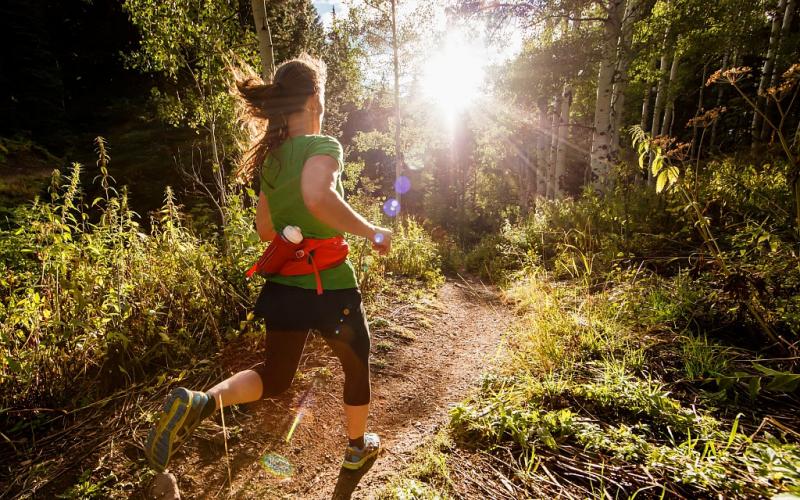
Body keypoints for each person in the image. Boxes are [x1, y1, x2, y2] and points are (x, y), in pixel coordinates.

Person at [145, 53, 392, 474]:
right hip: (329, 283)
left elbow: (264, 229)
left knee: (276, 375)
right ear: (315, 100)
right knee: (356, 359)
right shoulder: (322, 145)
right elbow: (318, 195)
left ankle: (202, 402)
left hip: (283, 284)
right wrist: (371, 231)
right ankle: (356, 447)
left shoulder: (272, 159)